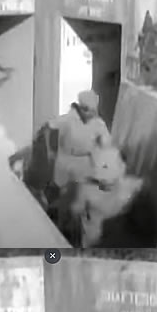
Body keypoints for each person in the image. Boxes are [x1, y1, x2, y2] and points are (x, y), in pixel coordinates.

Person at [41, 90, 113, 222]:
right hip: (65, 158)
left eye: (92, 111)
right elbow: (47, 128)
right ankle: (50, 217)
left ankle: (77, 223)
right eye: (86, 110)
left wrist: (105, 165)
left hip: (84, 161)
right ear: (81, 108)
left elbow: (106, 145)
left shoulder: (98, 124)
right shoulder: (68, 119)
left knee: (81, 195)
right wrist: (49, 149)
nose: (89, 114)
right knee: (57, 190)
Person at [66, 146, 142, 247]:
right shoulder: (129, 186)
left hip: (99, 238)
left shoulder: (88, 188)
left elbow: (76, 210)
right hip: (105, 239)